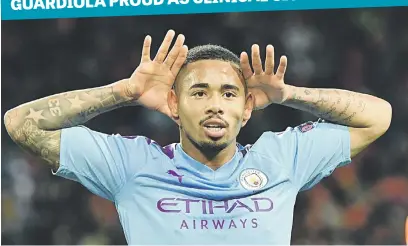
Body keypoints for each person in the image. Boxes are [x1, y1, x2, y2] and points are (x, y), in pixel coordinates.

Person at [4, 29, 392, 245]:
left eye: (228, 94)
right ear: (173, 104)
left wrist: (289, 95)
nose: (214, 105)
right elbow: (20, 123)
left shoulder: (281, 158)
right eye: (198, 92)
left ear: (246, 108)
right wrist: (122, 92)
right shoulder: (132, 164)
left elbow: (378, 116)